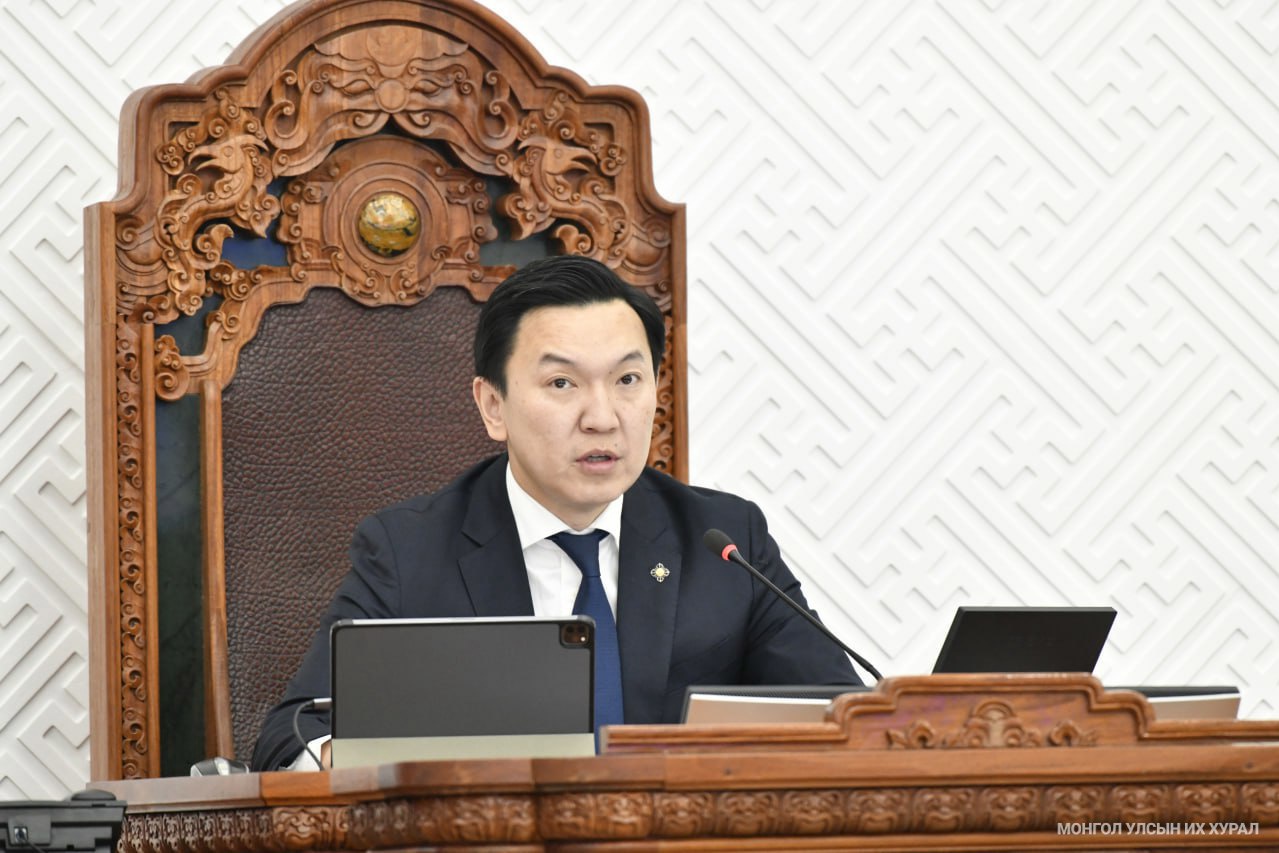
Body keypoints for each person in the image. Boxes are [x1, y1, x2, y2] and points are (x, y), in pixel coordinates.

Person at [250, 255, 860, 771]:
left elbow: (846, 721)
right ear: (493, 405)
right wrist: (400, 765)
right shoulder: (410, 552)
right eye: (563, 384)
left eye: (628, 379)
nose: (603, 417)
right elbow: (291, 739)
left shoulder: (724, 543)